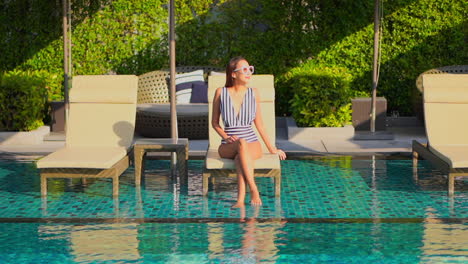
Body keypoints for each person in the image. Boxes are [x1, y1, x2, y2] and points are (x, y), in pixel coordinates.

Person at [211, 56, 286, 207]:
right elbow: (214, 123)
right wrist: (226, 136)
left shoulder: (254, 93)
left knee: (241, 154)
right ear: (233, 74)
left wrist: (273, 149)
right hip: (228, 145)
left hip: (252, 144)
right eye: (244, 69)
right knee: (240, 144)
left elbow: (260, 125)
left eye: (250, 69)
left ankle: (240, 200)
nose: (249, 73)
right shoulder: (221, 92)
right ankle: (254, 189)